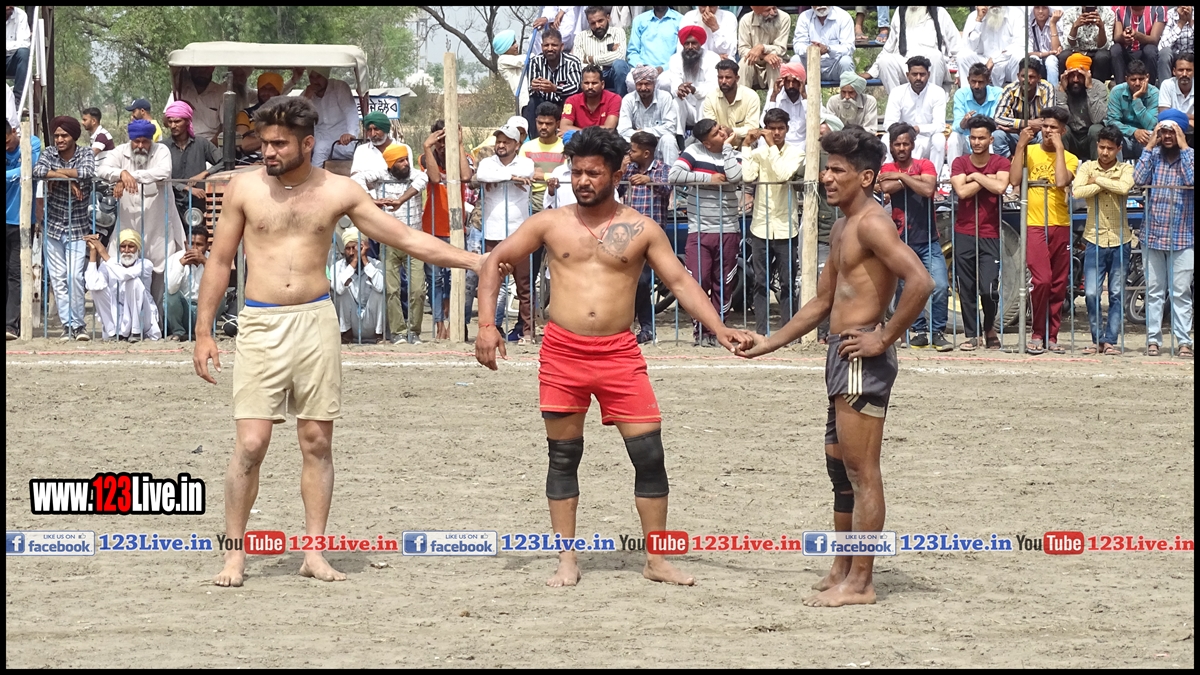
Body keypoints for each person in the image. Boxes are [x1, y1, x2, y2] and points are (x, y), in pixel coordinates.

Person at [191, 96, 492, 587]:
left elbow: (404, 238)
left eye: (279, 143)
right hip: (261, 322)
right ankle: (234, 554)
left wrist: (474, 260)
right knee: (251, 443)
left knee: (316, 441)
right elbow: (220, 261)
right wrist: (203, 332)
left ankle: (314, 551)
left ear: (307, 143)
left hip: (315, 321)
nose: (268, 151)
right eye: (264, 142)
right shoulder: (244, 187)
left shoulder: (339, 191)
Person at [474, 126, 753, 588]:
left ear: (617, 174)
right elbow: (493, 263)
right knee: (563, 457)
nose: (583, 181)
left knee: (649, 455)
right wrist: (488, 325)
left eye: (593, 173)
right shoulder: (550, 223)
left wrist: (719, 329)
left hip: (619, 353)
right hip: (563, 352)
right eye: (577, 172)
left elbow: (680, 281)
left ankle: (656, 559)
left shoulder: (641, 229)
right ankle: (566, 559)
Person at [734, 127, 934, 607]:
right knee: (840, 470)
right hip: (840, 353)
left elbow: (921, 281)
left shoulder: (873, 224)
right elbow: (823, 301)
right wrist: (770, 343)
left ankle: (861, 582)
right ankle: (843, 566)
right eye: (826, 168)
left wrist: (883, 336)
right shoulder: (844, 224)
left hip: (861, 355)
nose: (826, 177)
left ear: (865, 177)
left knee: (863, 472)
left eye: (837, 170)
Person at [1008, 106, 1078, 355]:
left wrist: (1058, 148)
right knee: (1042, 280)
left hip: (1060, 223)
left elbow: (1060, 181)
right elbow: (1014, 180)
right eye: (1045, 126)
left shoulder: (1070, 157)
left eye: (1053, 128)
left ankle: (1052, 335)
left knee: (1058, 284)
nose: (1048, 131)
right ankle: (1037, 331)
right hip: (1034, 223)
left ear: (1063, 131)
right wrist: (1020, 146)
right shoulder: (1030, 151)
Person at [668, 118, 743, 346]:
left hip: (728, 228)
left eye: (720, 129)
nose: (723, 133)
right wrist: (708, 179)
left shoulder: (734, 154)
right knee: (698, 282)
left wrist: (728, 148)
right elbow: (674, 175)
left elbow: (736, 177)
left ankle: (719, 331)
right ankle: (700, 331)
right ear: (706, 143)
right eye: (716, 133)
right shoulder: (693, 152)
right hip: (699, 229)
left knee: (724, 283)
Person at [98, 118, 186, 304]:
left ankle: (158, 319)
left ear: (151, 140)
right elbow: (102, 169)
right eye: (136, 141)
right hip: (128, 224)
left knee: (160, 274)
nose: (140, 146)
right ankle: (124, 317)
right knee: (119, 270)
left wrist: (130, 177)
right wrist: (121, 174)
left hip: (157, 225)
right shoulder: (120, 151)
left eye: (145, 141)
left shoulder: (161, 150)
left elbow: (163, 172)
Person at [878, 122, 949, 351]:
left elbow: (928, 189)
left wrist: (901, 178)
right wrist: (912, 179)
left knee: (940, 285)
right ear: (891, 146)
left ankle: (937, 332)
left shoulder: (925, 164)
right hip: (901, 240)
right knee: (907, 289)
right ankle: (918, 331)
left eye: (905, 144)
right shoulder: (887, 167)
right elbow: (885, 186)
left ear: (912, 145)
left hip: (928, 239)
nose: (901, 148)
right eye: (897, 144)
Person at [355, 133, 428, 345]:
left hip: (414, 239)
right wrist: (372, 200)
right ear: (390, 164)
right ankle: (398, 332)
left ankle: (414, 331)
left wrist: (400, 200)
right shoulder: (381, 175)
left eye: (406, 159)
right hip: (389, 239)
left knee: (417, 289)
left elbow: (423, 180)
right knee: (392, 289)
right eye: (400, 161)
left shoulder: (415, 175)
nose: (405, 164)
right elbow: (357, 178)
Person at [1134, 113, 1194, 358]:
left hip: (1184, 236)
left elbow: (1192, 179)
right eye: (1164, 131)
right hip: (1153, 235)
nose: (1168, 136)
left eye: (1173, 131)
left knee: (1181, 292)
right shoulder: (1154, 156)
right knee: (1154, 291)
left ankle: (1184, 342)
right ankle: (1153, 340)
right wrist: (1149, 146)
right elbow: (1138, 179)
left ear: (1180, 133)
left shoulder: (1190, 156)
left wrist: (1184, 146)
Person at [949, 115, 1010, 351]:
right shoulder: (959, 162)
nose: (976, 142)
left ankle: (989, 327)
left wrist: (974, 176)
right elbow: (962, 192)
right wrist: (985, 179)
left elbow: (1000, 187)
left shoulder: (1001, 162)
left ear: (991, 139)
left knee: (989, 288)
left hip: (990, 232)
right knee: (966, 287)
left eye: (981, 138)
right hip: (963, 231)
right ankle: (972, 334)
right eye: (973, 138)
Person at [1072, 126, 1134, 356]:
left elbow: (1125, 187)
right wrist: (1107, 181)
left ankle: (1110, 341)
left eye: (1110, 148)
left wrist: (1097, 180)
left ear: (1119, 149)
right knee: (1091, 293)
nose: (1105, 152)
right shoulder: (1087, 166)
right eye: (1101, 147)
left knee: (1116, 293)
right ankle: (1097, 338)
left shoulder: (1126, 168)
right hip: (1094, 238)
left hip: (1120, 239)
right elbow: (1077, 191)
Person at [32, 115, 94, 341]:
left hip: (77, 226)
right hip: (53, 225)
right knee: (58, 278)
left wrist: (59, 176)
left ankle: (79, 325)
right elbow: (38, 171)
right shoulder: (49, 153)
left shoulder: (85, 153)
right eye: (56, 135)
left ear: (73, 136)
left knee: (74, 277)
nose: (59, 139)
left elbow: (87, 172)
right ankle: (68, 325)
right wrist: (67, 178)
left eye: (64, 135)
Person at [742, 108, 803, 336]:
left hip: (786, 227)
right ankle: (761, 331)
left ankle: (787, 331)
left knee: (787, 282)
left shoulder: (796, 153)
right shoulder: (759, 153)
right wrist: (746, 146)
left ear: (787, 129)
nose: (776, 133)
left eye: (781, 128)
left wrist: (769, 148)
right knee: (760, 281)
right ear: (766, 128)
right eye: (772, 129)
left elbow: (782, 175)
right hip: (761, 226)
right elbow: (748, 176)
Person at [477, 125, 536, 339]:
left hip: (520, 232)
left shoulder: (526, 163)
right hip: (492, 231)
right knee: (491, 283)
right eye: (499, 141)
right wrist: (511, 177)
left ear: (516, 145)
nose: (501, 145)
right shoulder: (487, 163)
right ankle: (489, 328)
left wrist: (500, 177)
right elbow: (482, 174)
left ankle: (528, 331)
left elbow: (526, 173)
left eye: (506, 142)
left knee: (524, 285)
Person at [420, 120, 475, 341]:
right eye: (439, 140)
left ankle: (455, 323)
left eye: (446, 140)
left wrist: (458, 144)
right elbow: (434, 178)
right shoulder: (426, 157)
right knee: (435, 279)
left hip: (455, 227)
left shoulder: (465, 156)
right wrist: (427, 146)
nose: (443, 145)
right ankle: (439, 324)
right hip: (432, 226)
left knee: (455, 278)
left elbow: (466, 176)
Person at [619, 130, 673, 343]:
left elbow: (667, 188)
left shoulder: (662, 169)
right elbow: (616, 189)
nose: (630, 154)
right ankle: (636, 326)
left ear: (646, 153)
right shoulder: (629, 168)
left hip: (652, 235)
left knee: (643, 282)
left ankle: (646, 326)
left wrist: (649, 180)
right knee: (629, 282)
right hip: (628, 233)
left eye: (633, 151)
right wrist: (622, 167)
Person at [83, 229, 160, 342]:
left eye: (131, 246)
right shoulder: (109, 263)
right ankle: (112, 333)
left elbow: (125, 275)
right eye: (123, 246)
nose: (127, 250)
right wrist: (93, 253)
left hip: (143, 317)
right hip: (117, 317)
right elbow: (92, 284)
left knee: (133, 282)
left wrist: (103, 253)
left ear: (138, 248)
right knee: (97, 289)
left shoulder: (145, 264)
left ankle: (136, 331)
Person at [866, 7, 960, 91]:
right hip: (906, 64)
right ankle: (898, 102)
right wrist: (871, 73)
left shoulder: (940, 13)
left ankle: (931, 101)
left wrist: (959, 74)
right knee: (885, 60)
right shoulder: (899, 11)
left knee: (935, 56)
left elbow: (957, 48)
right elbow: (888, 48)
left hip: (931, 67)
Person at [881, 56, 947, 173]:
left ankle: (933, 178)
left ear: (928, 75)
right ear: (907, 75)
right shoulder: (897, 92)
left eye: (922, 74)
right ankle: (888, 175)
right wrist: (906, 131)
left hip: (927, 139)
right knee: (886, 138)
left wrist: (918, 129)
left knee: (939, 139)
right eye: (914, 74)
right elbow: (889, 123)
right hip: (903, 140)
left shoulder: (937, 92)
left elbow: (940, 125)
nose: (918, 78)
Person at [162, 100, 221, 225]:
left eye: (177, 121)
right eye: (170, 122)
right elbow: (160, 176)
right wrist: (186, 188)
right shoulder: (162, 147)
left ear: (188, 121)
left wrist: (204, 174)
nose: (173, 125)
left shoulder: (201, 143)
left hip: (197, 204)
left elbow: (223, 162)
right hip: (172, 203)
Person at [6, 118, 39, 339]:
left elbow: (30, 167)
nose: (6, 146)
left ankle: (10, 325)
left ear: (14, 131)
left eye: (7, 141)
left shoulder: (31, 142)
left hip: (22, 220)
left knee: (15, 274)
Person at [165, 226, 224, 341]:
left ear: (207, 246)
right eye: (191, 244)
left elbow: (220, 285)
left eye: (199, 244)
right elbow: (170, 290)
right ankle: (179, 332)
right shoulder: (174, 259)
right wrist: (180, 265)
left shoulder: (213, 260)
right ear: (185, 244)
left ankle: (205, 331)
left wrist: (205, 263)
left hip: (204, 311)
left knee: (220, 296)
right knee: (169, 296)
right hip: (183, 310)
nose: (195, 249)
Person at [524, 28, 583, 137]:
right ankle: (534, 139)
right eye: (546, 45)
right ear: (542, 47)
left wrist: (555, 88)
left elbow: (575, 87)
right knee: (532, 102)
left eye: (554, 45)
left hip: (564, 102)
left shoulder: (573, 62)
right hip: (543, 101)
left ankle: (570, 137)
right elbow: (532, 89)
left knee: (572, 100)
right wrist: (535, 86)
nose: (550, 49)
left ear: (562, 46)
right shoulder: (535, 61)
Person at [663, 26, 721, 135]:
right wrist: (679, 89)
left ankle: (703, 136)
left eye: (694, 43)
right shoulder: (675, 59)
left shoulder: (712, 58)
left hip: (706, 109)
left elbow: (713, 88)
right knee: (676, 101)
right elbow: (674, 84)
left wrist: (695, 90)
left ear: (700, 43)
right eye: (686, 44)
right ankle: (679, 137)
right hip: (687, 109)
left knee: (704, 100)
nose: (690, 47)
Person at [618, 65, 681, 165]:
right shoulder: (628, 99)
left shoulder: (665, 97)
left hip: (658, 144)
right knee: (622, 141)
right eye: (639, 84)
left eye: (647, 84)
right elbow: (623, 130)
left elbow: (670, 128)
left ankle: (671, 173)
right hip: (637, 145)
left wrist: (643, 132)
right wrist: (642, 136)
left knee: (669, 139)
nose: (643, 88)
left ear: (654, 84)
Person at [992, 58, 1055, 158]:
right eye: (1023, 76)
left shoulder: (1046, 88)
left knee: (1046, 134)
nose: (1026, 80)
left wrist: (1012, 127)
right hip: (1017, 135)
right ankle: (1007, 165)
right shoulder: (1010, 89)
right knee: (997, 135)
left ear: (1039, 78)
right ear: (1018, 76)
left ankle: (1039, 164)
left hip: (1036, 134)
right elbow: (998, 118)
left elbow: (1048, 120)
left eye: (1031, 77)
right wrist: (1027, 123)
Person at [332, 226, 385, 342]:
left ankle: (379, 335)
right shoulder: (337, 267)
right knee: (341, 292)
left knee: (379, 292)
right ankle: (346, 334)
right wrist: (354, 262)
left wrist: (364, 260)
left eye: (355, 248)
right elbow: (338, 289)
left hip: (371, 322)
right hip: (351, 324)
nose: (352, 253)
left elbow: (381, 287)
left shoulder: (376, 264)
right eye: (348, 249)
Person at [1055, 55, 1110, 161]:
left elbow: (1097, 119)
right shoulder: (1060, 88)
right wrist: (1062, 91)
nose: (1075, 80)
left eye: (1080, 75)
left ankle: (1098, 168)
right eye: (1072, 75)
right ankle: (1061, 167)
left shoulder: (1098, 87)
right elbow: (1061, 119)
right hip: (1071, 137)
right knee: (1062, 129)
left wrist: (1090, 89)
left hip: (1090, 136)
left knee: (1096, 129)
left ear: (1087, 75)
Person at [302, 68, 360, 168]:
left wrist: (351, 134)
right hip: (318, 141)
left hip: (342, 142)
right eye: (311, 77)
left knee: (321, 148)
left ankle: (314, 176)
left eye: (318, 77)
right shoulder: (307, 93)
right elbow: (295, 115)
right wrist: (305, 99)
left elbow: (350, 111)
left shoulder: (339, 87)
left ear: (326, 75)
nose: (315, 81)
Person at [948, 63, 1003, 168]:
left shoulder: (998, 93)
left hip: (986, 140)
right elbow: (956, 126)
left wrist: (972, 122)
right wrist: (963, 122)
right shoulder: (961, 94)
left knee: (994, 136)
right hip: (967, 139)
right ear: (968, 80)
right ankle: (954, 173)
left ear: (988, 81)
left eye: (981, 82)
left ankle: (991, 172)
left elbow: (994, 123)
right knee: (954, 137)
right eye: (973, 81)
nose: (977, 86)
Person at [1106, 59, 1160, 160]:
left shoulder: (1154, 93)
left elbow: (1152, 125)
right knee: (1112, 137)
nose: (1137, 83)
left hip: (1145, 135)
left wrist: (1136, 99)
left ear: (1147, 77)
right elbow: (1112, 121)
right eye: (1133, 80)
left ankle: (1146, 169)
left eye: (1141, 79)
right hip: (1124, 135)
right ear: (1126, 79)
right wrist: (1134, 131)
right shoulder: (1117, 91)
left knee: (1153, 138)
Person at [701, 59, 762, 147]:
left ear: (737, 78)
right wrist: (723, 133)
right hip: (719, 142)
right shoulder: (711, 97)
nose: (723, 81)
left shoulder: (751, 96)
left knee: (752, 139)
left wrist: (732, 131)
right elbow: (709, 127)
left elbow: (753, 129)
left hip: (743, 142)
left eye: (728, 77)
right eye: (720, 77)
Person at [957, 6, 1022, 88]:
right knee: (962, 56)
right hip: (983, 61)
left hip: (1006, 63)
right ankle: (966, 94)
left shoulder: (1016, 14)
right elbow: (970, 47)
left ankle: (1017, 93)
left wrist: (994, 60)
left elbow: (1019, 44)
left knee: (1020, 56)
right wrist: (979, 20)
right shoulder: (974, 16)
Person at [573, 6, 630, 96]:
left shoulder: (618, 32)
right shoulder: (580, 37)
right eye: (593, 23)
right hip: (590, 74)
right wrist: (597, 67)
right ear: (588, 22)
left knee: (620, 65)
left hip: (611, 73)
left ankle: (621, 101)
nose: (597, 26)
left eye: (600, 21)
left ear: (608, 18)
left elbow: (620, 56)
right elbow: (578, 63)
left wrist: (590, 59)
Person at [793, 6, 856, 83]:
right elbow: (798, 45)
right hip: (810, 65)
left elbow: (848, 48)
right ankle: (798, 91)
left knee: (846, 61)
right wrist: (811, 50)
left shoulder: (843, 16)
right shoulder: (804, 17)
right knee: (795, 60)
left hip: (833, 67)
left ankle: (848, 90)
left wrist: (828, 49)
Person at [736, 6, 791, 91]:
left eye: (774, 8)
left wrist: (763, 47)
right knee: (745, 62)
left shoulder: (784, 18)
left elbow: (781, 49)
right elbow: (742, 50)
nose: (772, 12)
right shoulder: (745, 20)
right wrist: (764, 56)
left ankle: (777, 97)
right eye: (767, 10)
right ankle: (742, 97)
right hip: (754, 64)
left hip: (776, 63)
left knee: (775, 61)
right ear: (757, 12)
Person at [1057, 6, 1116, 83]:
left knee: (1102, 56)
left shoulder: (1108, 14)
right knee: (1063, 56)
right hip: (1076, 51)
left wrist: (1101, 28)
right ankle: (1066, 86)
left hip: (1097, 51)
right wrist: (1075, 27)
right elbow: (1067, 45)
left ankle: (1098, 86)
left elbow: (1105, 46)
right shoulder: (1069, 13)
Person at [1112, 5, 1168, 86]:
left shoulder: (1158, 8)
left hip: (1145, 50)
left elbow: (1154, 39)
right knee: (1115, 49)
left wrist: (1137, 36)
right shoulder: (1119, 9)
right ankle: (1121, 87)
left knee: (1150, 50)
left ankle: (1149, 87)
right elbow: (1117, 37)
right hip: (1127, 51)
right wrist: (1124, 37)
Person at [562, 65, 621, 133]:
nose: (590, 87)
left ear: (602, 84)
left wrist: (580, 132)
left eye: (594, 83)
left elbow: (609, 128)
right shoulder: (571, 101)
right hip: (580, 139)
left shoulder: (614, 99)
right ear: (581, 85)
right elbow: (564, 127)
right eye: (586, 83)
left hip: (604, 139)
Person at [627, 6, 683, 74]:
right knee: (629, 79)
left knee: (666, 80)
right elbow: (632, 51)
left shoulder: (680, 20)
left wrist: (664, 68)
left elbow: (682, 53)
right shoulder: (639, 20)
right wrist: (641, 66)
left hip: (669, 71)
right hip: (641, 70)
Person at [763, 62, 807, 148]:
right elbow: (767, 122)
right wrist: (774, 96)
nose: (790, 86)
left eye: (794, 82)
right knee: (762, 139)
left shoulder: (811, 94)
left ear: (801, 82)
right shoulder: (775, 93)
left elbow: (815, 122)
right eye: (787, 82)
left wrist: (804, 96)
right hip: (779, 141)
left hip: (803, 142)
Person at [173, 67, 222, 144]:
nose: (202, 72)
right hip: (185, 143)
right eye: (199, 69)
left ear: (212, 69)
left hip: (210, 143)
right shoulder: (180, 91)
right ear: (191, 69)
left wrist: (211, 146)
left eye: (206, 69)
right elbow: (166, 121)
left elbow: (226, 125)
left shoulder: (220, 92)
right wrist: (179, 107)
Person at [494, 30, 530, 113]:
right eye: (512, 44)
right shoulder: (502, 60)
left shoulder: (514, 59)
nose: (516, 46)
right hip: (526, 101)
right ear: (504, 47)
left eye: (515, 42)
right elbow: (525, 60)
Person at [1158, 51, 1194, 133]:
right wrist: (1188, 120)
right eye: (1181, 70)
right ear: (1174, 71)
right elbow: (1164, 116)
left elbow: (1169, 116)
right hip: (1172, 133)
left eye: (1188, 70)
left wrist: (1175, 116)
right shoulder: (1167, 84)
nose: (1184, 74)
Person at [1028, 6, 1064, 86]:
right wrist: (1047, 53)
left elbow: (1055, 50)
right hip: (1037, 57)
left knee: (1051, 60)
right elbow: (1028, 52)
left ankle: (1053, 90)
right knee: (1033, 58)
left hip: (1054, 59)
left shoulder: (1057, 23)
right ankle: (1033, 90)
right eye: (1037, 7)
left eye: (1044, 8)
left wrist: (1052, 24)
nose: (1040, 11)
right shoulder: (1030, 25)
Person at [1158, 7, 1194, 85]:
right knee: (1164, 53)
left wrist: (1191, 22)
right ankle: (1165, 88)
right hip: (1175, 55)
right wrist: (1180, 23)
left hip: (1192, 54)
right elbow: (1162, 46)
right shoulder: (1170, 14)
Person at [6, 5, 30, 100]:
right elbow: (19, 43)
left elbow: (24, 43)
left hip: (12, 61)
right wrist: (13, 45)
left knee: (24, 53)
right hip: (12, 52)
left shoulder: (21, 15)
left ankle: (17, 100)